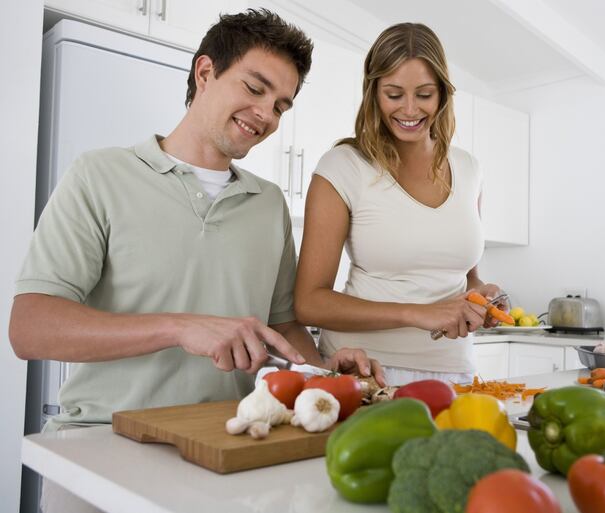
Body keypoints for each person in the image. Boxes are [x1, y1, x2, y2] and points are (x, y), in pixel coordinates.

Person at [10, 10, 384, 511]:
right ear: (205, 73)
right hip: (103, 444)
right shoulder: (100, 174)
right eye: (254, 88)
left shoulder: (269, 204)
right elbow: (30, 328)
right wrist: (181, 327)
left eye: (280, 105)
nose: (266, 115)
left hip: (231, 445)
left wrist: (323, 373)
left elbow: (283, 325)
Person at [294, 23, 508, 386]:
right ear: (374, 93)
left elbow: (468, 276)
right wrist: (418, 313)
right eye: (394, 94)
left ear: (442, 94)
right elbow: (309, 302)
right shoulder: (343, 167)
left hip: (455, 371)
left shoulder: (470, 169)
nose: (410, 109)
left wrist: (485, 296)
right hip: (367, 371)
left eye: (424, 94)